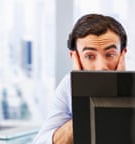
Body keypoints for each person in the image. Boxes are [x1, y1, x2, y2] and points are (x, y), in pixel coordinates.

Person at [32, 13, 127, 144]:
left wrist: (119, 88)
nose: (101, 67)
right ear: (75, 58)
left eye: (110, 54)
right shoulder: (68, 85)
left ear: (122, 54)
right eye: (89, 56)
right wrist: (84, 99)